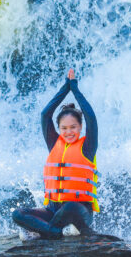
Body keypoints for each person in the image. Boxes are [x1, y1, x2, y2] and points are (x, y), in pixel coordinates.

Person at [12, 68, 99, 239]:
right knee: (18, 214)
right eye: (64, 128)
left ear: (80, 127)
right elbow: (45, 114)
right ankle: (57, 232)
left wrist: (74, 88)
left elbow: (91, 117)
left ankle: (43, 231)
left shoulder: (87, 146)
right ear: (59, 129)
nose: (69, 132)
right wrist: (65, 88)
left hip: (79, 210)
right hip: (53, 209)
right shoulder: (54, 144)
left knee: (70, 208)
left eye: (73, 127)